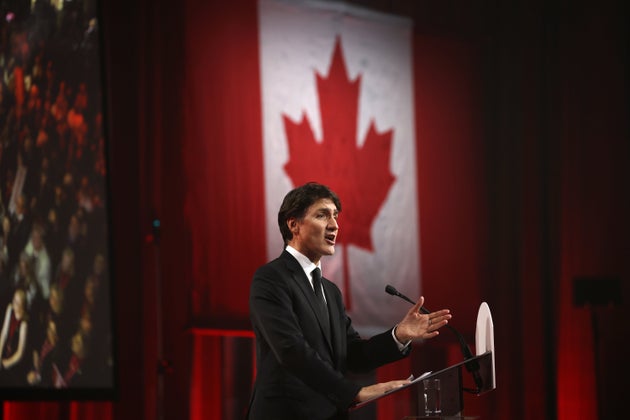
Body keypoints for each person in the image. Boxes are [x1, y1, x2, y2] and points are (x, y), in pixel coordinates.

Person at [248, 182, 452, 420]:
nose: (334, 225)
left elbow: (352, 355)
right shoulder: (271, 278)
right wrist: (354, 393)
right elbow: (291, 350)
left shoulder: (330, 291)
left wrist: (399, 335)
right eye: (322, 215)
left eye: (335, 216)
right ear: (293, 224)